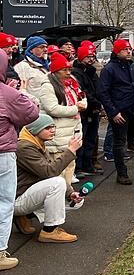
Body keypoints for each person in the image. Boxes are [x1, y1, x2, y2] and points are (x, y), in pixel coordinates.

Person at [14, 114, 83, 244]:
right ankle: (49, 231)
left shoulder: (37, 143)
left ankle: (23, 216)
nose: (52, 130)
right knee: (56, 183)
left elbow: (49, 172)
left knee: (76, 201)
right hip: (16, 199)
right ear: (35, 129)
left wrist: (70, 193)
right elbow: (49, 172)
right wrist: (70, 150)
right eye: (47, 128)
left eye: (53, 127)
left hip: (26, 193)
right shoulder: (24, 147)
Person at [0, 49, 39, 271]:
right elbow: (32, 114)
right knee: (4, 202)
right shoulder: (8, 94)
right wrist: (22, 92)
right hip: (3, 153)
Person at [31, 53, 87, 191]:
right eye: (64, 70)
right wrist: (76, 108)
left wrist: (83, 103)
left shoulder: (71, 83)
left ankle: (67, 197)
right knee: (58, 172)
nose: (68, 73)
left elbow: (81, 96)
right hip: (57, 135)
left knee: (69, 167)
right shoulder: (48, 85)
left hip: (71, 132)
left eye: (69, 69)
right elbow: (52, 109)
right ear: (55, 71)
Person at [99, 40, 134, 185]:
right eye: (125, 49)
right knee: (120, 143)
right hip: (120, 111)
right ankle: (121, 173)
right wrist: (113, 112)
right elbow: (104, 92)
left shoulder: (131, 66)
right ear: (117, 51)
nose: (129, 52)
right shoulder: (109, 69)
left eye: (129, 49)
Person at [71, 44, 103, 178]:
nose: (91, 59)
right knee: (81, 139)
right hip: (84, 111)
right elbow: (82, 92)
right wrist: (96, 102)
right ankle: (78, 167)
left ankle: (88, 165)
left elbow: (99, 88)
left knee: (90, 139)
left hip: (94, 110)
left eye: (92, 56)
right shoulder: (76, 72)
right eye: (88, 56)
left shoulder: (92, 72)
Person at [14, 35, 50, 106]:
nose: (46, 49)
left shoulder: (48, 66)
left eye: (46, 47)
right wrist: (36, 102)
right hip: (36, 109)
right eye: (42, 47)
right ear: (31, 50)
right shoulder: (22, 67)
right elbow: (20, 91)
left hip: (49, 108)